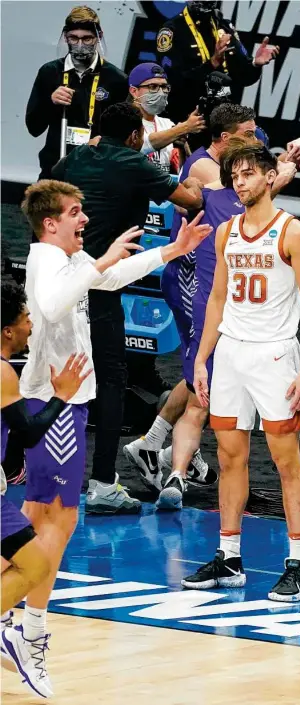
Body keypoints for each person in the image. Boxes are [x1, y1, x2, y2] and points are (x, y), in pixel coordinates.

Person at [0, 179, 212, 697]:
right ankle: (28, 631)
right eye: (75, 213)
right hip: (57, 403)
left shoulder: (63, 258)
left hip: (55, 401)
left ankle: (12, 619)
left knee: (37, 517)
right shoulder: (48, 262)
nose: (84, 220)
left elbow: (109, 276)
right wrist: (98, 265)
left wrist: (170, 250)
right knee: (60, 519)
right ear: (51, 222)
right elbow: (51, 305)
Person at [123, 105, 300, 504]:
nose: (257, 140)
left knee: (199, 377)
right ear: (226, 140)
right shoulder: (206, 172)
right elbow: (251, 199)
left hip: (211, 286)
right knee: (203, 380)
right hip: (196, 287)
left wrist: (292, 157)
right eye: (249, 134)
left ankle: (155, 445)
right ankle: (172, 462)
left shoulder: (227, 178)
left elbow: (260, 188)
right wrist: (283, 170)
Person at [180, 142, 300, 601]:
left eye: (246, 174)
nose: (239, 183)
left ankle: (298, 566)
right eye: (233, 176)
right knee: (228, 457)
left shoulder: (295, 233)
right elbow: (218, 300)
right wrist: (202, 358)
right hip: (232, 356)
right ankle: (229, 557)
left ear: (269, 176)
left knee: (286, 461)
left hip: (276, 356)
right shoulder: (226, 233)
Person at [51, 102, 204, 513]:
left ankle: (24, 468)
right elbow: (189, 199)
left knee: (46, 379)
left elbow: (38, 204)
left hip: (59, 284)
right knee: (111, 379)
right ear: (136, 136)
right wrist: (205, 180)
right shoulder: (137, 163)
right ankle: (102, 484)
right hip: (100, 288)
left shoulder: (74, 158)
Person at [0, 281, 90, 696]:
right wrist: (60, 397)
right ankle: (18, 634)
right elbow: (32, 431)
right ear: (7, 331)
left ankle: (10, 631)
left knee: (28, 559)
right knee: (35, 565)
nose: (31, 322)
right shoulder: (2, 371)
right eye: (25, 317)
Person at [26, 5, 128, 179]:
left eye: (87, 39)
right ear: (65, 37)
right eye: (73, 38)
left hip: (97, 171)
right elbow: (34, 127)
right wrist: (50, 102)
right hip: (55, 168)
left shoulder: (116, 79)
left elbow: (122, 135)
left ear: (99, 37)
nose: (80, 45)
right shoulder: (50, 72)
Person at [156, 1, 278, 125]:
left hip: (221, 119)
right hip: (184, 119)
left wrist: (255, 64)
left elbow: (243, 77)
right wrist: (212, 64)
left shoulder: (224, 26)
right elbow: (172, 83)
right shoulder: (172, 30)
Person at [128, 61, 205, 173]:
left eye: (164, 87)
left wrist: (183, 150)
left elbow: (184, 173)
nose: (161, 92)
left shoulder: (167, 124)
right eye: (153, 87)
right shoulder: (122, 119)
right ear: (134, 91)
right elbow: (139, 145)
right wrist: (184, 127)